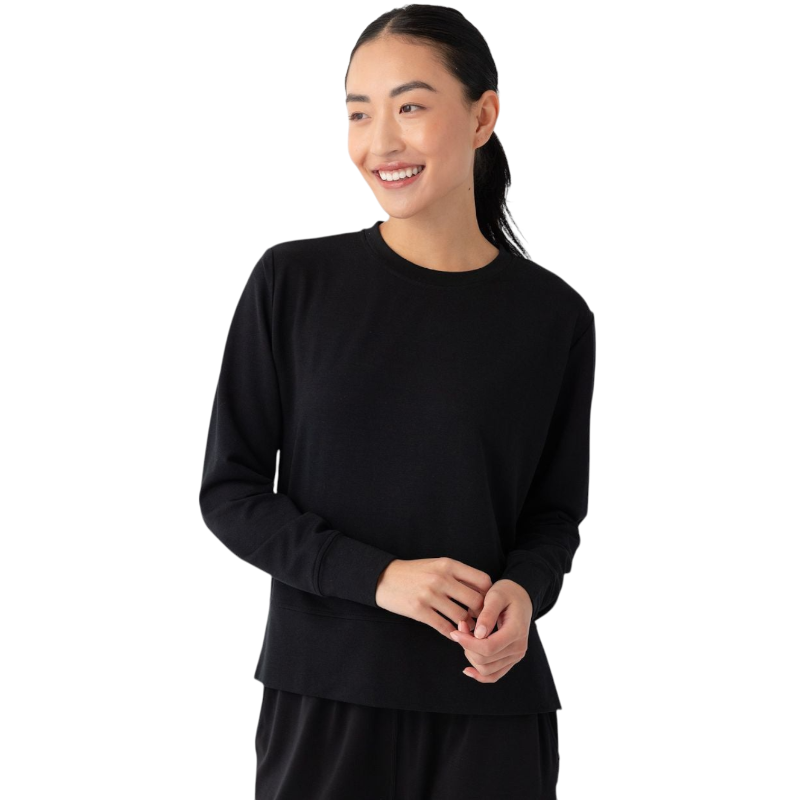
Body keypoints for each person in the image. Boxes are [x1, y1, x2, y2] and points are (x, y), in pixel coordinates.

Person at [199, 4, 595, 798]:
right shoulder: (291, 282)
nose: (379, 143)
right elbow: (231, 494)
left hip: (494, 709)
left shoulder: (555, 317)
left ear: (483, 117)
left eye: (410, 107)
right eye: (358, 115)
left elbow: (555, 516)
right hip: (326, 699)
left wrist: (524, 592)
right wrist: (379, 578)